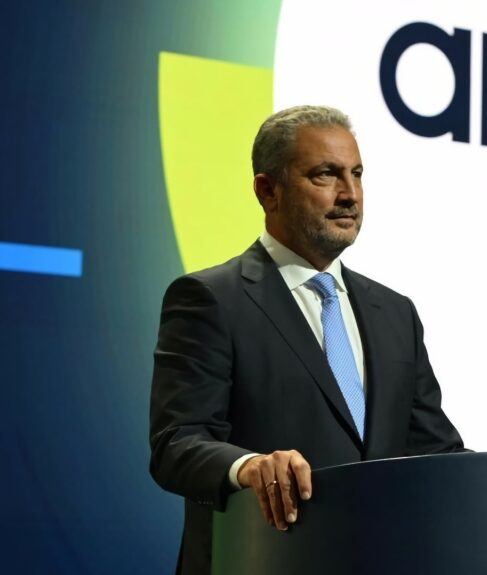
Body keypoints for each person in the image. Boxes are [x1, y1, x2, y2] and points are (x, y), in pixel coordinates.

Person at [149, 105, 466, 574]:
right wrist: (249, 467)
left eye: (357, 174)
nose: (350, 194)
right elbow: (177, 444)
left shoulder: (395, 313)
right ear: (268, 191)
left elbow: (436, 454)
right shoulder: (211, 299)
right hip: (261, 560)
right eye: (326, 175)